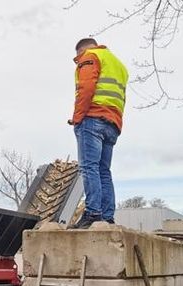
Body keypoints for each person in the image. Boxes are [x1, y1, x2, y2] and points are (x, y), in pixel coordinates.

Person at [68, 38, 128, 229]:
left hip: (92, 118)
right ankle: (107, 217)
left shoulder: (90, 56)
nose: (78, 60)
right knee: (104, 171)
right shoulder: (118, 65)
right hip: (113, 123)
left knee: (89, 167)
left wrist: (77, 117)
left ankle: (93, 213)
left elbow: (86, 88)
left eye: (78, 57)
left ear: (82, 50)